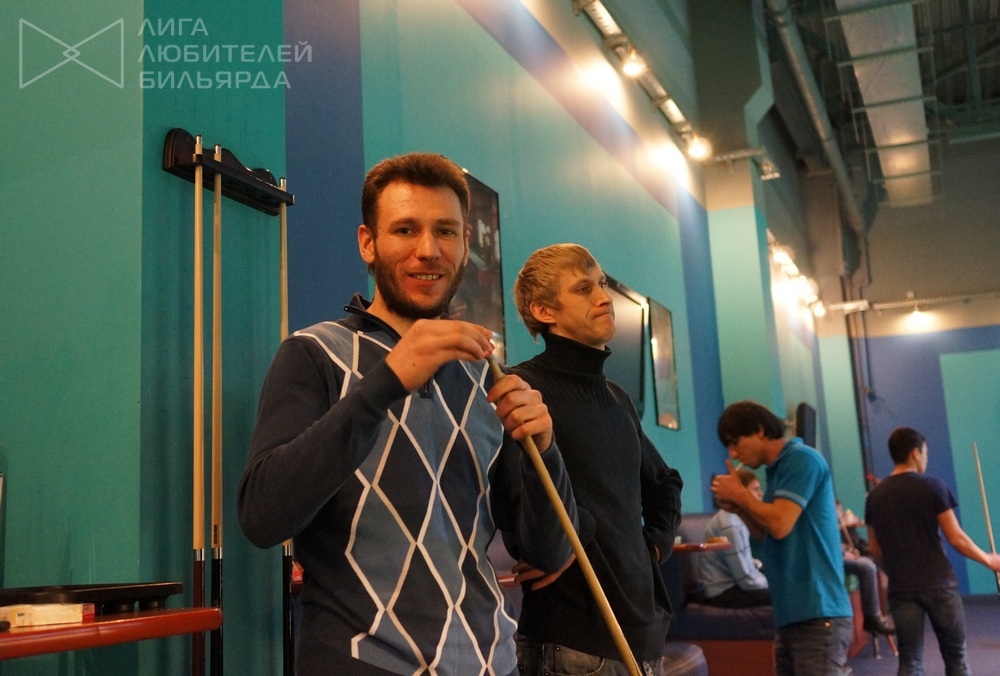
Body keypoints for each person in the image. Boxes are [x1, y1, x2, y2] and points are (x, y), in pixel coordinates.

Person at [236, 152, 578, 676]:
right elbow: (263, 517)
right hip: (363, 663)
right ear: (368, 243)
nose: (428, 250)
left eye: (446, 231)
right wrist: (385, 383)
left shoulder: (488, 375)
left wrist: (545, 452)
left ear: (465, 243)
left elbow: (548, 552)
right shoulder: (314, 354)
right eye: (405, 230)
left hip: (492, 663)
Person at [507, 243, 684, 675]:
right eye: (584, 288)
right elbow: (518, 506)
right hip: (571, 641)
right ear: (544, 311)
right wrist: (579, 534)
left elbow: (666, 484)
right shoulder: (520, 390)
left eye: (601, 284)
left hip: (643, 634)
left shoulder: (617, 397)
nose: (604, 297)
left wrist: (653, 545)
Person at [711, 400, 853, 676]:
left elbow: (779, 524)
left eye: (735, 442)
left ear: (760, 430)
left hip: (818, 610)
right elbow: (766, 534)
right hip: (791, 613)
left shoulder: (802, 459)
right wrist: (740, 508)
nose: (733, 453)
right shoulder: (776, 471)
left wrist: (741, 495)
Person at [865, 426, 1000, 675]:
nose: (926, 459)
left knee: (910, 662)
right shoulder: (932, 486)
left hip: (901, 588)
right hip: (939, 584)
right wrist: (988, 559)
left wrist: (894, 569)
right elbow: (956, 538)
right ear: (915, 453)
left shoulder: (875, 496)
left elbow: (874, 548)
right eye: (925, 453)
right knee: (956, 658)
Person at [700, 468, 771, 608]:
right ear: (739, 492)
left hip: (735, 583)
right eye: (755, 489)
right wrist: (772, 584)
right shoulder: (730, 526)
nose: (761, 493)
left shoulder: (738, 518)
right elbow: (745, 580)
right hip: (723, 592)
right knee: (781, 594)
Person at [836, 500, 894, 636]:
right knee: (867, 566)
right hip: (835, 558)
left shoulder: (844, 526)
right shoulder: (830, 523)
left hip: (843, 554)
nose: (839, 513)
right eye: (838, 510)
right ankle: (871, 617)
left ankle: (889, 611)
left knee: (878, 561)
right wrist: (844, 552)